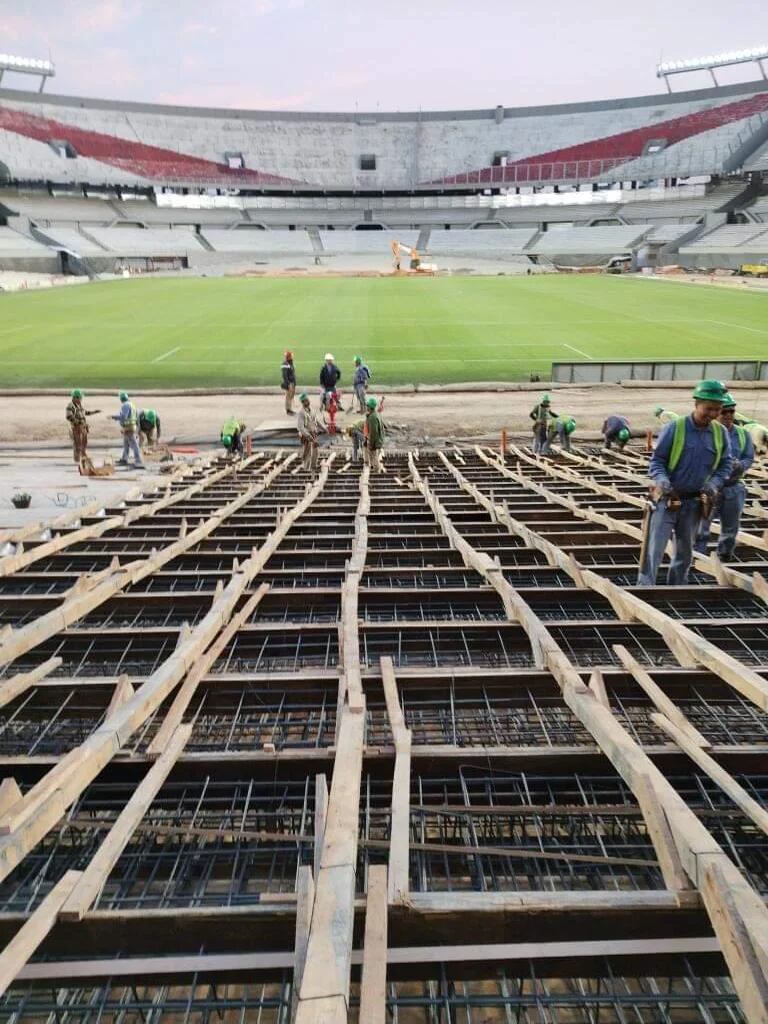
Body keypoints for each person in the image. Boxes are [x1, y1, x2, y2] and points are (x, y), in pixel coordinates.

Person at [638, 380, 732, 586]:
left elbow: (725, 464)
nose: (713, 414)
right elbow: (657, 461)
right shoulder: (676, 428)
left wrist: (714, 483)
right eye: (708, 409)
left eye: (717, 410)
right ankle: (645, 590)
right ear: (696, 404)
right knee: (654, 549)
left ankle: (677, 589)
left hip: (694, 503)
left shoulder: (720, 433)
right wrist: (662, 480)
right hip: (667, 500)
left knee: (685, 552)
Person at [695, 392, 754, 560]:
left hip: (733, 488)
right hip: (709, 488)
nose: (728, 415)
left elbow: (749, 457)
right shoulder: (705, 433)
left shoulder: (743, 434)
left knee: (730, 529)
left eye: (732, 412)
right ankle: (697, 561)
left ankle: (725, 558)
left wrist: (740, 465)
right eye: (725, 412)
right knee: (701, 529)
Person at [65, 389, 99, 465]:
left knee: (84, 443)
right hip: (76, 428)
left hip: (83, 428)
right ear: (75, 397)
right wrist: (79, 422)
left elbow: (84, 412)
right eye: (80, 398)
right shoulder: (70, 406)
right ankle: (78, 460)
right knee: (78, 445)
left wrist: (94, 412)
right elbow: (69, 417)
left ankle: (82, 458)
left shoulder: (79, 405)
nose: (81, 399)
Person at [111, 391, 144, 469]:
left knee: (134, 444)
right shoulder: (132, 405)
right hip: (131, 427)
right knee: (126, 444)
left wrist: (114, 417)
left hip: (128, 427)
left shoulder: (125, 405)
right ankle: (124, 459)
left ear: (121, 399)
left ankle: (138, 461)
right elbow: (137, 417)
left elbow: (124, 417)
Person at [297, 392, 324, 474]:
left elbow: (316, 421)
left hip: (313, 433)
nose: (307, 402)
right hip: (307, 435)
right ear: (302, 402)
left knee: (315, 451)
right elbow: (301, 427)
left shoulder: (311, 410)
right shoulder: (301, 413)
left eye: (307, 400)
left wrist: (323, 428)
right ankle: (306, 469)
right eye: (305, 401)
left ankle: (313, 466)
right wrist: (307, 435)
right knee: (307, 452)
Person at [365, 396, 384, 472]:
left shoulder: (372, 417)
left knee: (374, 457)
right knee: (374, 456)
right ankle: (375, 469)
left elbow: (373, 432)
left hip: (375, 441)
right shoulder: (376, 414)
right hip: (379, 439)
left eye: (367, 406)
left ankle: (376, 472)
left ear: (370, 407)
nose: (366, 407)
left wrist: (371, 444)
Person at [281, 350, 297, 415]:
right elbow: (284, 375)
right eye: (291, 355)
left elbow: (293, 373)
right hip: (289, 383)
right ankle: (288, 410)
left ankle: (290, 409)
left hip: (292, 382)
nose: (293, 356)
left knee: (291, 396)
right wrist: (287, 383)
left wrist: (294, 382)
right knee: (288, 397)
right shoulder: (285, 364)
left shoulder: (291, 363)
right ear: (289, 357)